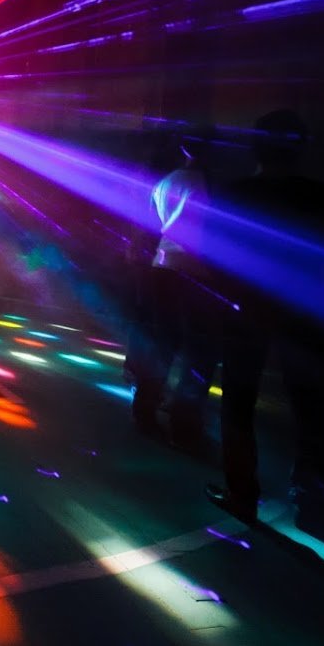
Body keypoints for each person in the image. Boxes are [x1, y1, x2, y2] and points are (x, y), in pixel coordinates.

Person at [205, 110, 324, 523]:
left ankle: (242, 494)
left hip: (249, 309)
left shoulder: (235, 194)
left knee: (238, 403)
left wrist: (227, 302)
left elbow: (216, 257)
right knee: (311, 405)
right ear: (301, 149)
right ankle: (311, 495)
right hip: (307, 309)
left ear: (255, 146)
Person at [130, 131, 222, 450]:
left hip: (162, 265)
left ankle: (144, 412)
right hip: (195, 272)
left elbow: (152, 224)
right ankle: (184, 424)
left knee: (162, 345)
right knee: (199, 352)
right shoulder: (211, 185)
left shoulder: (165, 182)